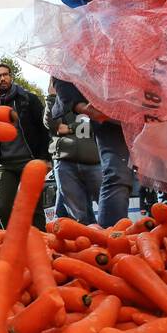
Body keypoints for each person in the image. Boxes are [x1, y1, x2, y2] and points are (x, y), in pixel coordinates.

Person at [0, 62, 49, 228]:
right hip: (5, 165)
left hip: (30, 161)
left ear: (11, 77)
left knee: (34, 207)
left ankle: (43, 243)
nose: (2, 78)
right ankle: (14, 242)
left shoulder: (28, 100)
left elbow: (43, 131)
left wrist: (45, 158)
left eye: (5, 74)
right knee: (4, 207)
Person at [45, 78, 101, 225]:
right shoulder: (56, 99)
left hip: (94, 159)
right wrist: (51, 97)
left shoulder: (94, 91)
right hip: (65, 162)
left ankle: (113, 242)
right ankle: (89, 245)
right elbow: (52, 126)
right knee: (79, 217)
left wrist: (69, 128)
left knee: (107, 206)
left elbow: (98, 118)